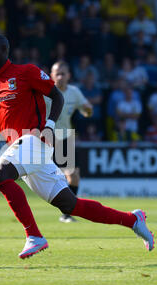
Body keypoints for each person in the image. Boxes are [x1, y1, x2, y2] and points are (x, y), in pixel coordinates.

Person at [0, 33, 155, 259]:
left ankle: (34, 236)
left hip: (35, 140)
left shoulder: (26, 72)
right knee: (69, 205)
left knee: (0, 174)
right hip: (20, 148)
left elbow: (57, 96)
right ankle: (132, 219)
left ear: (3, 50)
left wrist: (48, 126)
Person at [44, 61, 93, 223]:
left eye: (63, 73)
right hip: (45, 139)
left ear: (69, 76)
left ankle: (67, 213)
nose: (60, 76)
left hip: (64, 138)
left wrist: (88, 109)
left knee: (74, 176)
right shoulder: (44, 92)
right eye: (57, 73)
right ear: (51, 76)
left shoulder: (74, 92)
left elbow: (86, 109)